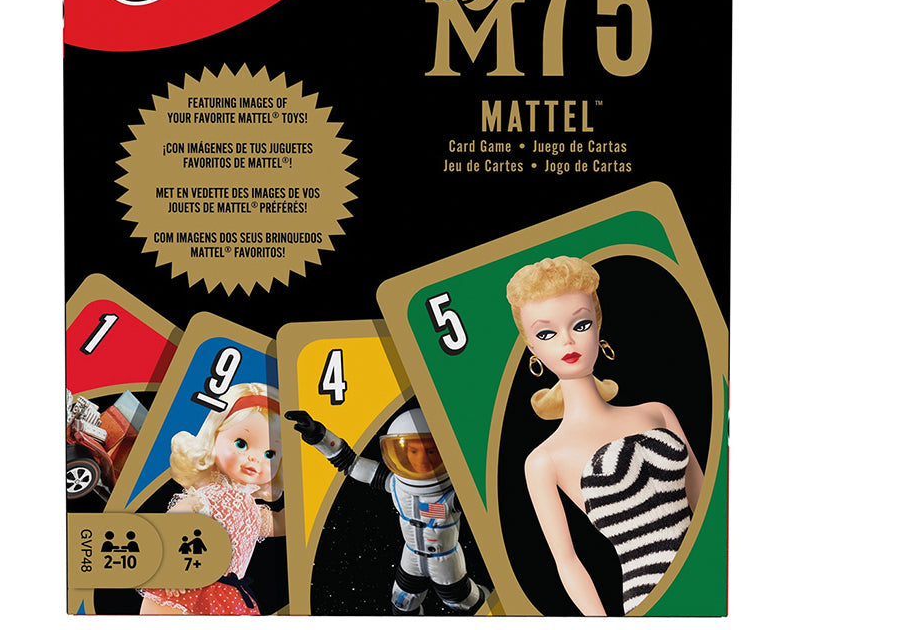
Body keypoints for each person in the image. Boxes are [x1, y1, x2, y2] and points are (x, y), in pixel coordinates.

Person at [506, 257, 703, 615]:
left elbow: (710, 506)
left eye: (580, 324)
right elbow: (567, 561)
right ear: (532, 349)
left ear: (598, 326)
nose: (568, 340)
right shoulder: (544, 460)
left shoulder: (657, 413)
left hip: (716, 578)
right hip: (651, 601)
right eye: (547, 334)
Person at [286, 406, 489, 615]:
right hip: (411, 558)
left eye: (431, 451)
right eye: (413, 451)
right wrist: (319, 436)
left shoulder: (455, 495)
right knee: (403, 605)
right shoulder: (395, 484)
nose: (421, 460)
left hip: (446, 560)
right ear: (399, 452)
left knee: (464, 601)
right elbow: (351, 463)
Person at [139, 383, 285, 615]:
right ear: (213, 438)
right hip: (187, 585)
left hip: (229, 596)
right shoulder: (209, 496)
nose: (255, 459)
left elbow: (280, 523)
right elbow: (173, 523)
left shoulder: (252, 510)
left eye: (270, 454)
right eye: (241, 443)